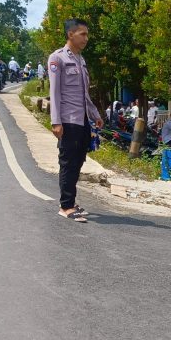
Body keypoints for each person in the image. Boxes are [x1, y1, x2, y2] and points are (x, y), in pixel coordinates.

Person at [49, 18, 104, 222]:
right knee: (68, 162)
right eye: (83, 34)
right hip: (67, 119)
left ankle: (70, 201)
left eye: (87, 35)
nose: (86, 39)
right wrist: (56, 121)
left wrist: (95, 114)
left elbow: (84, 94)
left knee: (79, 159)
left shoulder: (80, 60)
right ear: (70, 34)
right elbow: (54, 92)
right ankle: (66, 206)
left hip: (82, 120)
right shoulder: (57, 58)